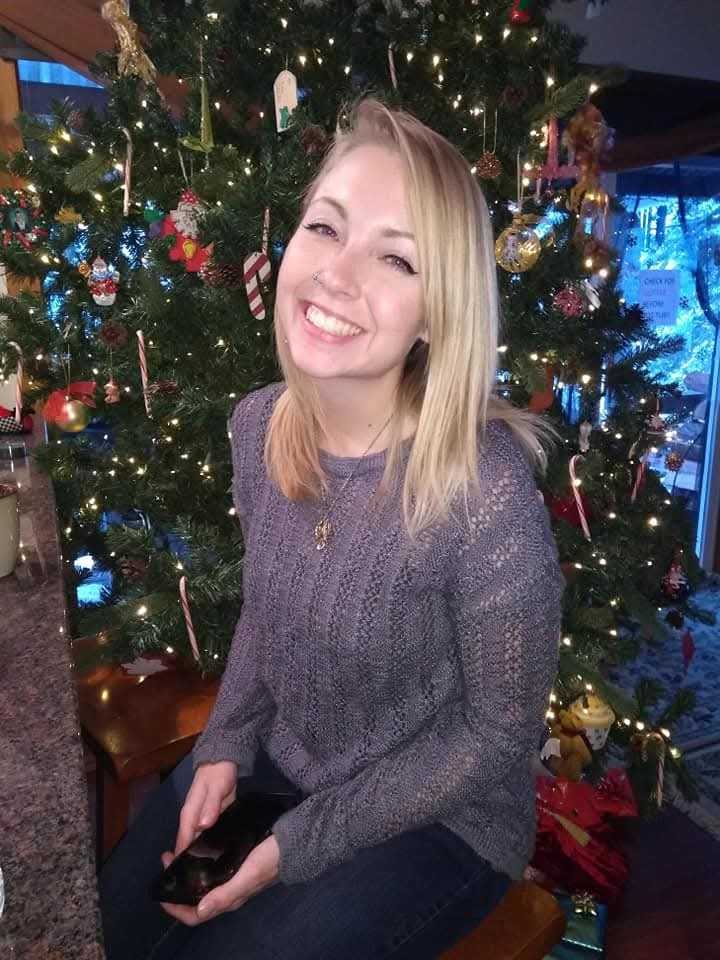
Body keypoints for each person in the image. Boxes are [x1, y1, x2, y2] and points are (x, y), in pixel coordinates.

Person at [100, 96, 565, 960]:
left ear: (438, 313)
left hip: (444, 818)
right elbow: (268, 618)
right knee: (115, 923)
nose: (336, 275)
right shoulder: (258, 425)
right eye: (325, 228)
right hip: (289, 759)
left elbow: (498, 735)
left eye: (396, 257)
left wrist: (297, 844)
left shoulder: (484, 491)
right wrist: (223, 748)